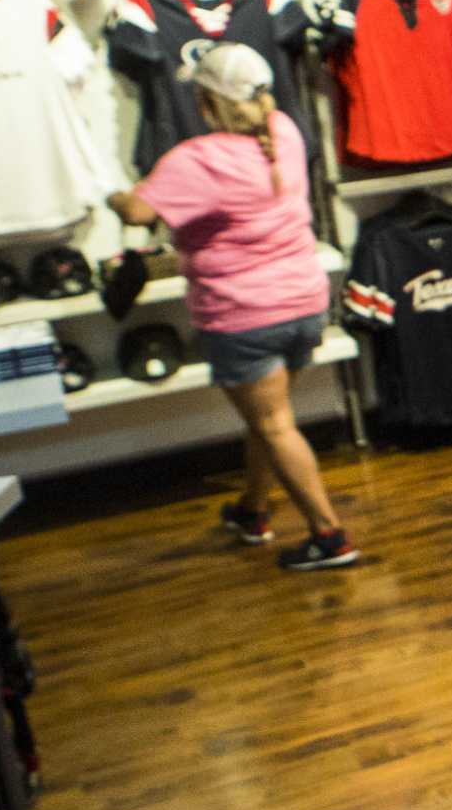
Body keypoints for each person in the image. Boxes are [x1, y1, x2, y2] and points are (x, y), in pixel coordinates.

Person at [107, 43, 357, 572]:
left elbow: (136, 212)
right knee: (267, 419)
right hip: (304, 304)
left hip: (245, 315)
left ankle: (329, 535)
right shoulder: (283, 133)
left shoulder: (196, 161)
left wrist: (111, 194)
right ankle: (253, 510)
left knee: (273, 423)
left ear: (204, 101)